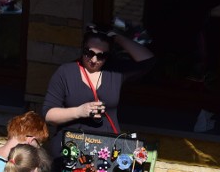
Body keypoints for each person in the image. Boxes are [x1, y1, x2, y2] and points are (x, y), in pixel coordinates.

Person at [42, 27, 155, 160]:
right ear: (82, 48)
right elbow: (48, 114)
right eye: (89, 53)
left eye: (101, 55)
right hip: (70, 150)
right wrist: (79, 111)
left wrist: (118, 38)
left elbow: (148, 61)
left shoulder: (115, 72)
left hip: (106, 153)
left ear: (108, 56)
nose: (94, 60)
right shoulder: (66, 72)